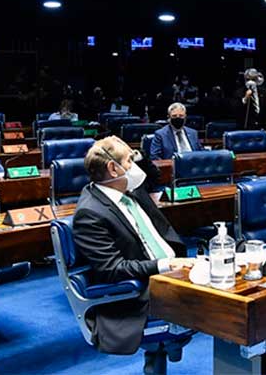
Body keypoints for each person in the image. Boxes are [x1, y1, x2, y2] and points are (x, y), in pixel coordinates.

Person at [72, 137, 193, 358]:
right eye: (129, 160)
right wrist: (166, 264)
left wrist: (132, 151)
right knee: (235, 313)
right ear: (113, 168)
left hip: (173, 274)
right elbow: (113, 269)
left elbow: (153, 175)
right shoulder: (90, 213)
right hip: (140, 293)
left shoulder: (130, 190)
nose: (134, 166)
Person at [234, 68, 266, 138]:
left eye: (253, 80)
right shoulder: (239, 92)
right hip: (245, 129)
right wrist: (245, 98)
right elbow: (236, 110)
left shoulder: (264, 92)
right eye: (248, 79)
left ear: (257, 80)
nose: (250, 82)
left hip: (261, 130)